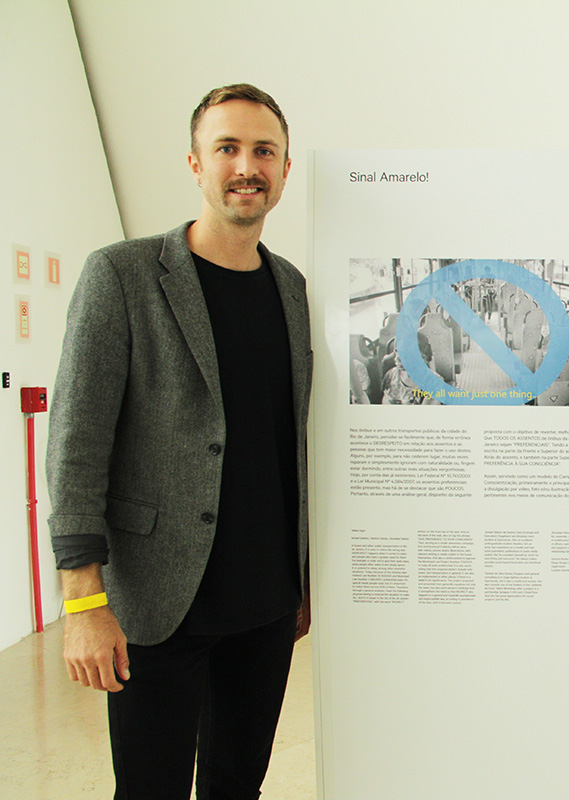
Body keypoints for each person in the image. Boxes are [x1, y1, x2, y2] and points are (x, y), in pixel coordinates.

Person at [47, 83, 311, 799]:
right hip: (157, 602)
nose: (247, 167)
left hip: (265, 603)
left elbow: (287, 441)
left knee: (238, 786)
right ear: (195, 164)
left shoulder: (290, 288)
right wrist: (83, 605)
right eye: (227, 148)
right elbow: (75, 447)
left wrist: (301, 580)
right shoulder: (123, 276)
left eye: (264, 151)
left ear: (285, 169)